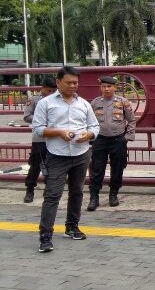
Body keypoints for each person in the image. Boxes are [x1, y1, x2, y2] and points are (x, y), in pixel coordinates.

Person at [32, 66, 100, 253]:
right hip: (57, 154)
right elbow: (37, 129)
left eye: (75, 83)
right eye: (68, 82)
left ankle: (72, 226)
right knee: (52, 195)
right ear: (58, 82)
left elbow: (94, 125)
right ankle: (45, 235)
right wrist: (59, 132)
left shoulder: (84, 104)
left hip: (81, 153)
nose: (72, 86)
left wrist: (89, 134)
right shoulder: (45, 103)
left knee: (77, 192)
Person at [87, 76, 136, 210]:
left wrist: (127, 137)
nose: (106, 89)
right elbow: (89, 121)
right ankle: (94, 197)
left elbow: (131, 120)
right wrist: (91, 136)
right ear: (101, 88)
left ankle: (113, 194)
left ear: (114, 87)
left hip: (118, 140)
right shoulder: (95, 103)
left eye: (109, 86)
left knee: (117, 169)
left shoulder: (123, 102)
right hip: (100, 140)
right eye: (104, 86)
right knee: (97, 170)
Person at [22, 76, 57, 203]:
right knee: (35, 165)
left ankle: (49, 190)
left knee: (53, 166)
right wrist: (41, 119)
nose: (51, 93)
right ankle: (29, 190)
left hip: (54, 138)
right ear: (42, 88)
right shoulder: (34, 100)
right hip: (39, 138)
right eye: (49, 91)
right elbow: (26, 117)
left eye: (54, 91)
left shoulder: (58, 99)